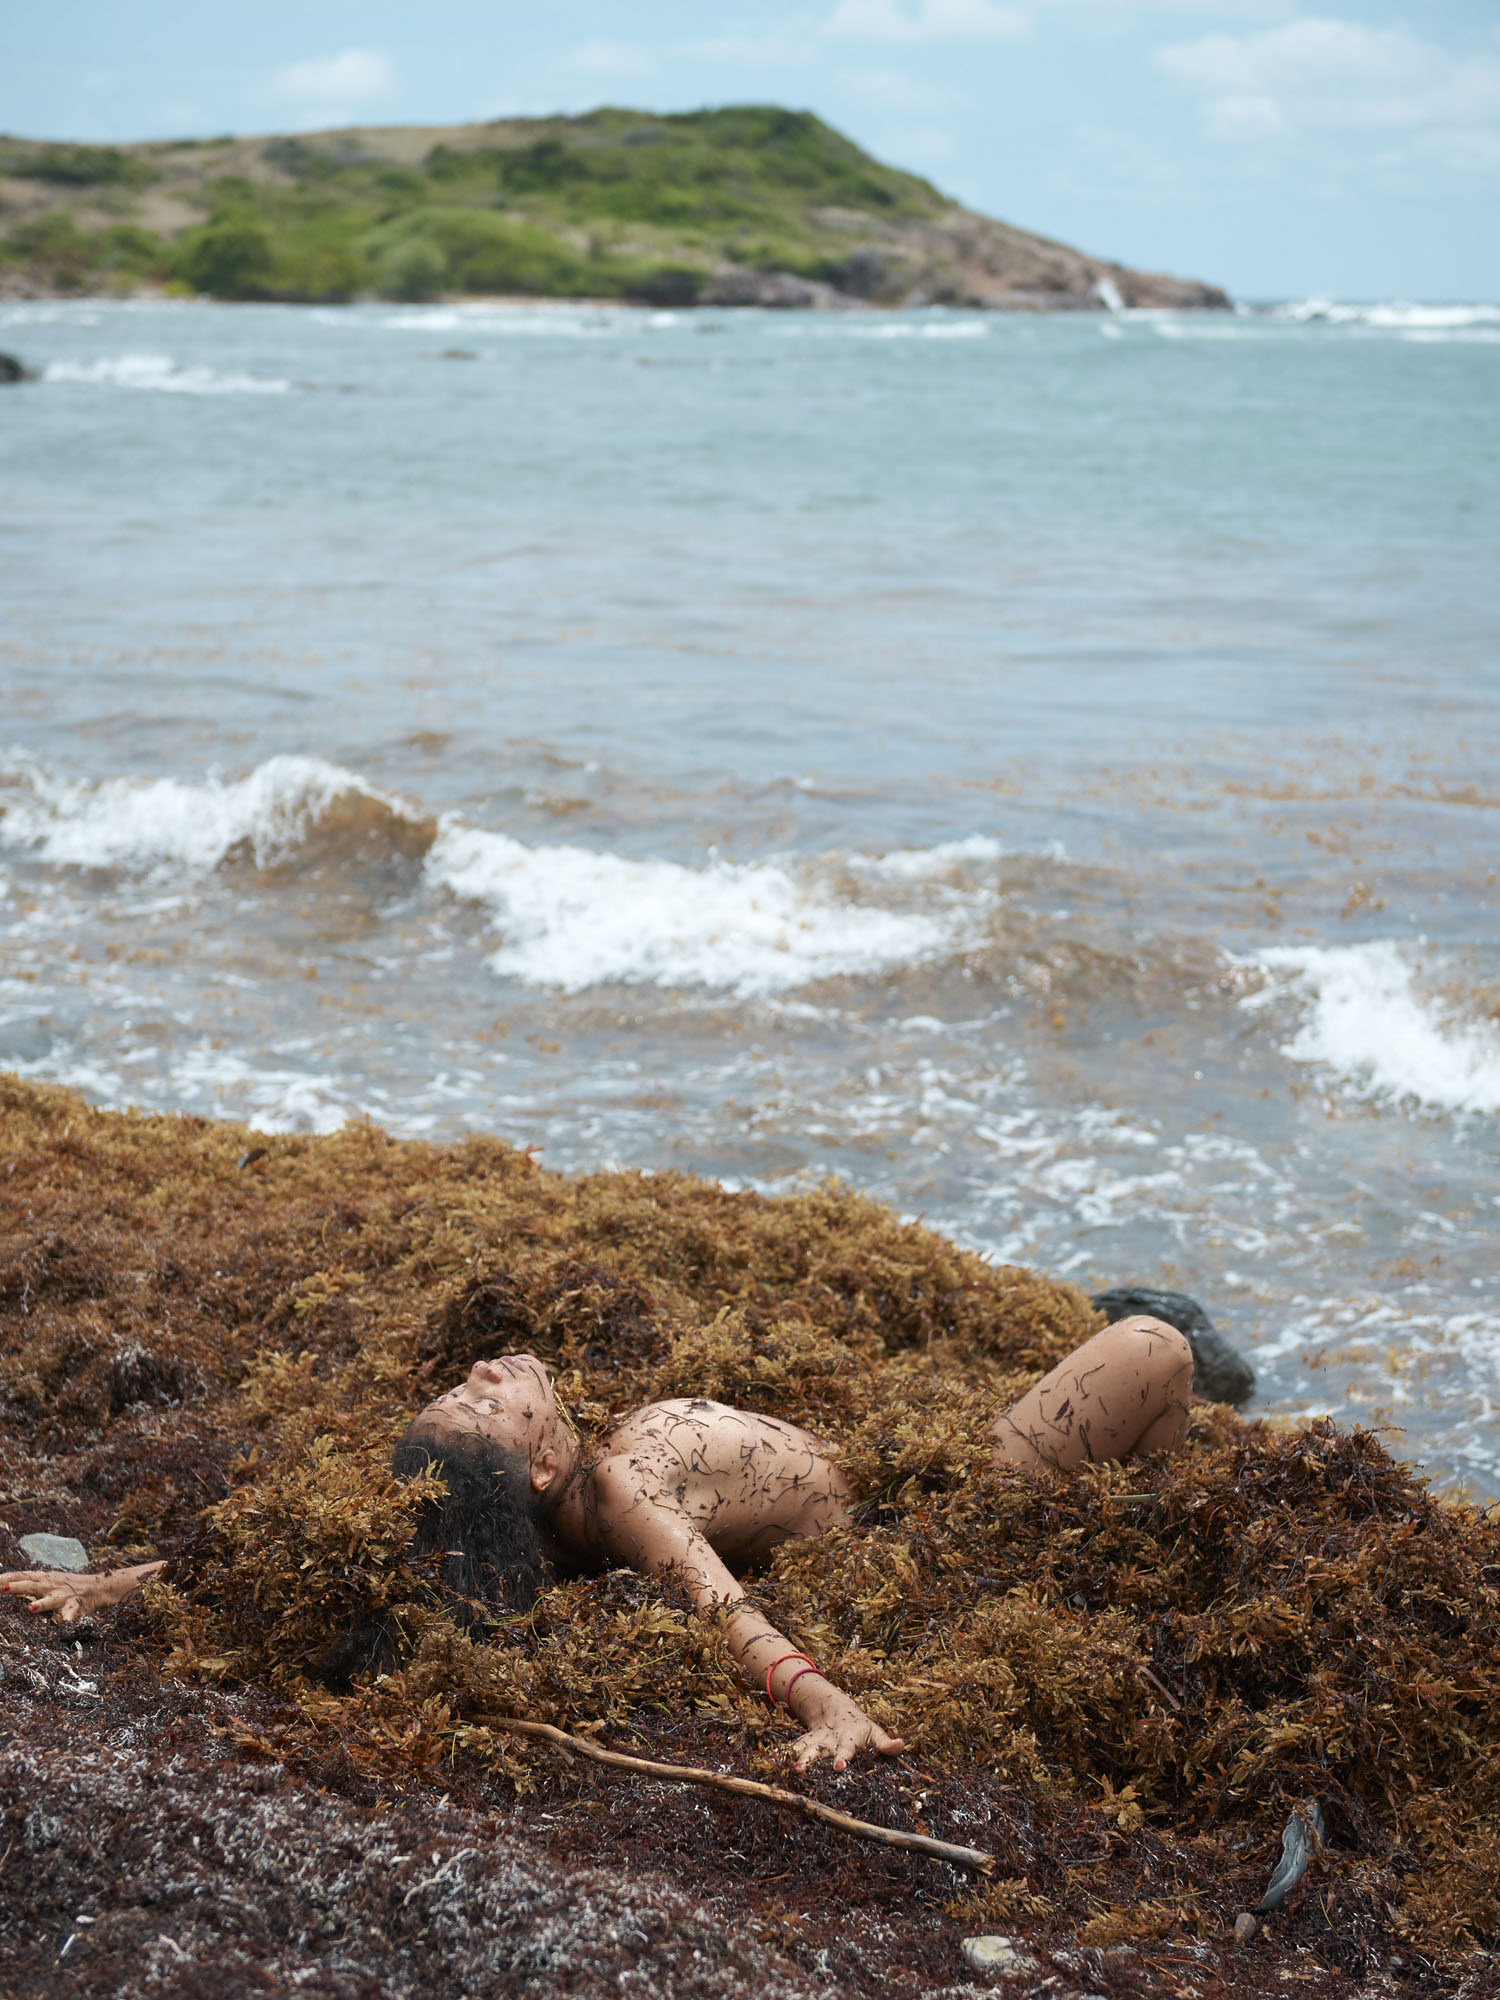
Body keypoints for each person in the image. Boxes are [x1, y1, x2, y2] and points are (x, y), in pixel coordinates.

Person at [2, 1314, 1193, 1771]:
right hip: (945, 1508)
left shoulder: (519, 1530)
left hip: (891, 1476)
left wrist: (125, 1581)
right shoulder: (618, 1485)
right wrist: (827, 1703)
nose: (482, 1369)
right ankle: (1150, 1543)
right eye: (482, 1400)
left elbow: (347, 1548)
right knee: (1155, 1345)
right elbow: (724, 1606)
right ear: (535, 1464)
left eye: (466, 1384)